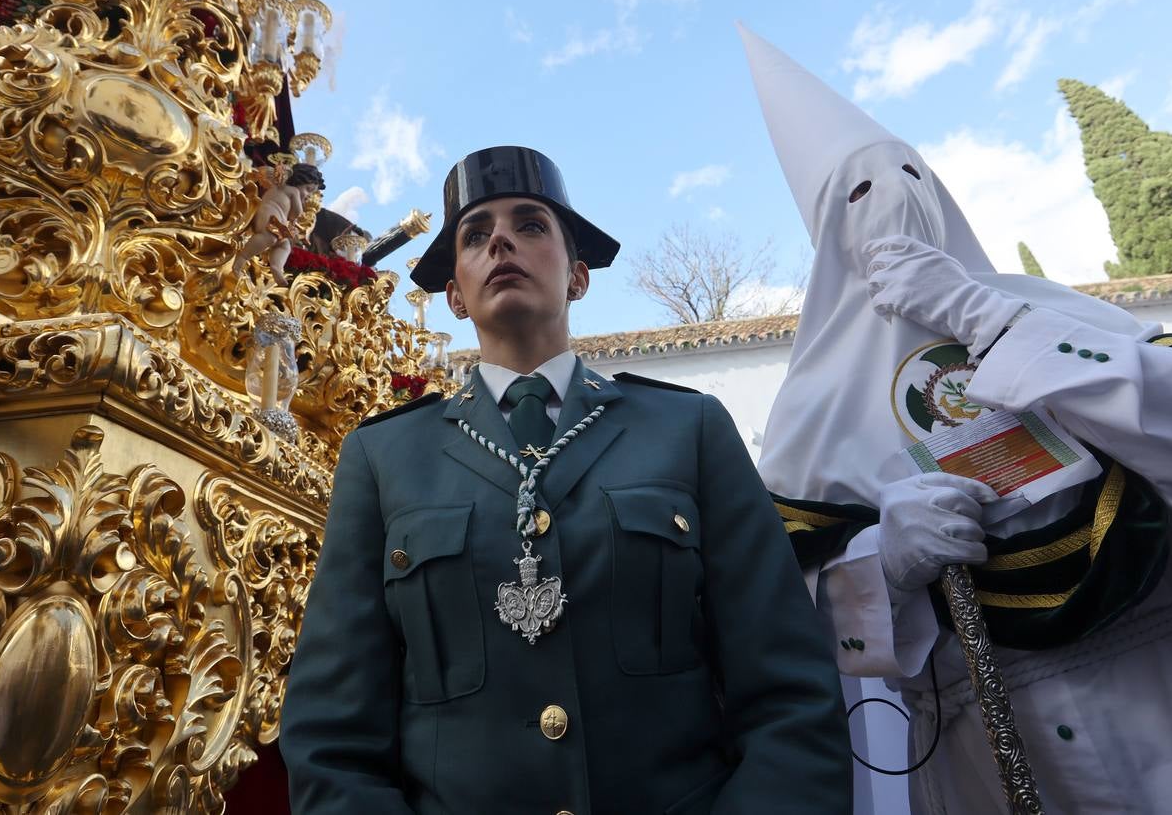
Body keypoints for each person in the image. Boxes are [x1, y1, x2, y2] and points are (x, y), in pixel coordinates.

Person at [279, 145, 852, 814]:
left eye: (529, 226)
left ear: (578, 277)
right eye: (475, 235)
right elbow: (331, 735)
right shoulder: (384, 457)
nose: (500, 241)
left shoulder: (686, 429)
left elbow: (789, 693)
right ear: (455, 296)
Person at [740, 25, 1172, 814]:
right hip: (984, 749)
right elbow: (787, 623)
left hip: (1170, 696)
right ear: (829, 237)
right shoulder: (809, 412)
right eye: (857, 194)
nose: (893, 200)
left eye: (910, 175)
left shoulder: (1061, 316)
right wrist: (878, 563)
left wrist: (994, 322)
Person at [233, 162, 323, 286]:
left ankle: (276, 267)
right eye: (308, 189)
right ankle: (241, 258)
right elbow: (297, 212)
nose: (308, 195)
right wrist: (298, 214)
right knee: (270, 237)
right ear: (299, 181)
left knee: (284, 244)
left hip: (276, 222)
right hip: (268, 215)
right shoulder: (293, 191)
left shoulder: (282, 188)